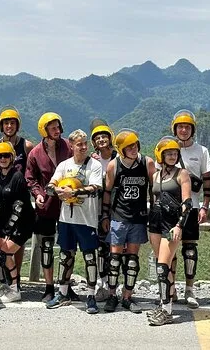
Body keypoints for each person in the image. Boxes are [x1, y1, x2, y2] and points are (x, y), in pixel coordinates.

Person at [44, 129, 103, 314]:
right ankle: (62, 293)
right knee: (65, 256)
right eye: (79, 144)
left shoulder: (94, 165)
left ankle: (91, 296)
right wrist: (58, 191)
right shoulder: (64, 165)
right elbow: (50, 186)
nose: (83, 147)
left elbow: (95, 188)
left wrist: (74, 192)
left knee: (90, 258)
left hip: (87, 220)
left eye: (85, 143)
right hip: (66, 219)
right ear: (71, 146)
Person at [101, 129, 155, 314]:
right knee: (114, 260)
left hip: (138, 218)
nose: (133, 149)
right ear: (121, 150)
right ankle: (112, 295)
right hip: (118, 217)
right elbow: (107, 191)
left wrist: (154, 213)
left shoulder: (147, 163)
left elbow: (154, 189)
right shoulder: (114, 165)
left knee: (132, 261)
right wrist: (105, 215)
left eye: (135, 145)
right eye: (129, 147)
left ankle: (127, 297)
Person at [25, 112, 73, 302]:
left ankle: (65, 286)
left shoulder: (68, 146)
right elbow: (31, 179)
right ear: (43, 130)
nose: (57, 130)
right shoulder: (35, 153)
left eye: (58, 127)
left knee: (68, 247)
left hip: (68, 204)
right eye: (52, 128)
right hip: (46, 206)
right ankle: (49, 287)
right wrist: (37, 194)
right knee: (46, 247)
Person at [0, 106, 34, 292]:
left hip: (19, 203)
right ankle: (1, 282)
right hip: (3, 201)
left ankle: (15, 283)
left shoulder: (26, 146)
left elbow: (31, 171)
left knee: (13, 247)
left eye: (12, 123)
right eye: (6, 123)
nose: (9, 126)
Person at [170, 109, 210, 309]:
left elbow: (208, 180)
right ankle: (170, 288)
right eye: (180, 127)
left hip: (193, 207)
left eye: (187, 127)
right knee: (170, 249)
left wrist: (205, 206)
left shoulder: (201, 151)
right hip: (171, 207)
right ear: (175, 129)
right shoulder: (167, 147)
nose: (184, 130)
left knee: (189, 250)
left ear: (193, 129)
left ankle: (189, 289)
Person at [147, 137, 192, 326]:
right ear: (161, 155)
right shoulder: (155, 176)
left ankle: (166, 310)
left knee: (162, 267)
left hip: (171, 223)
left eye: (175, 153)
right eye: (169, 154)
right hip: (155, 222)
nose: (172, 156)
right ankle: (166, 299)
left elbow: (187, 203)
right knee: (161, 264)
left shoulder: (182, 174)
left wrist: (180, 225)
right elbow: (153, 199)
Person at [89, 118, 117, 301]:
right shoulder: (93, 160)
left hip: (118, 208)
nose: (101, 140)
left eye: (104, 136)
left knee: (117, 248)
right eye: (97, 137)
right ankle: (103, 281)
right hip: (98, 209)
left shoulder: (118, 157)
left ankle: (116, 283)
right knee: (101, 247)